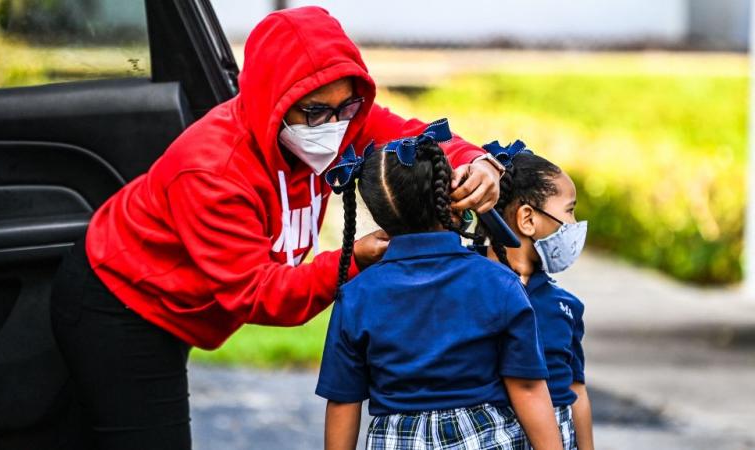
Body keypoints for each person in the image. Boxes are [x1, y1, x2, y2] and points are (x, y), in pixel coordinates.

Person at [49, 6, 503, 449]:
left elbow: (416, 137)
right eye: (315, 112)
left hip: (180, 303)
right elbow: (259, 293)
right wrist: (356, 259)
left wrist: (477, 162)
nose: (335, 126)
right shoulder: (212, 170)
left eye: (348, 106)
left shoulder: (343, 121)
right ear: (275, 103)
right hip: (122, 301)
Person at [316, 120, 564, 450]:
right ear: (448, 198)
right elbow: (527, 387)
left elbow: (343, 402)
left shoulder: (357, 295)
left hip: (397, 440)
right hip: (485, 439)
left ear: (379, 213)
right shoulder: (498, 281)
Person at [476, 141, 595, 450]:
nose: (574, 224)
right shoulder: (468, 288)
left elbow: (575, 389)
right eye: (569, 210)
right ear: (528, 219)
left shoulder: (565, 305)